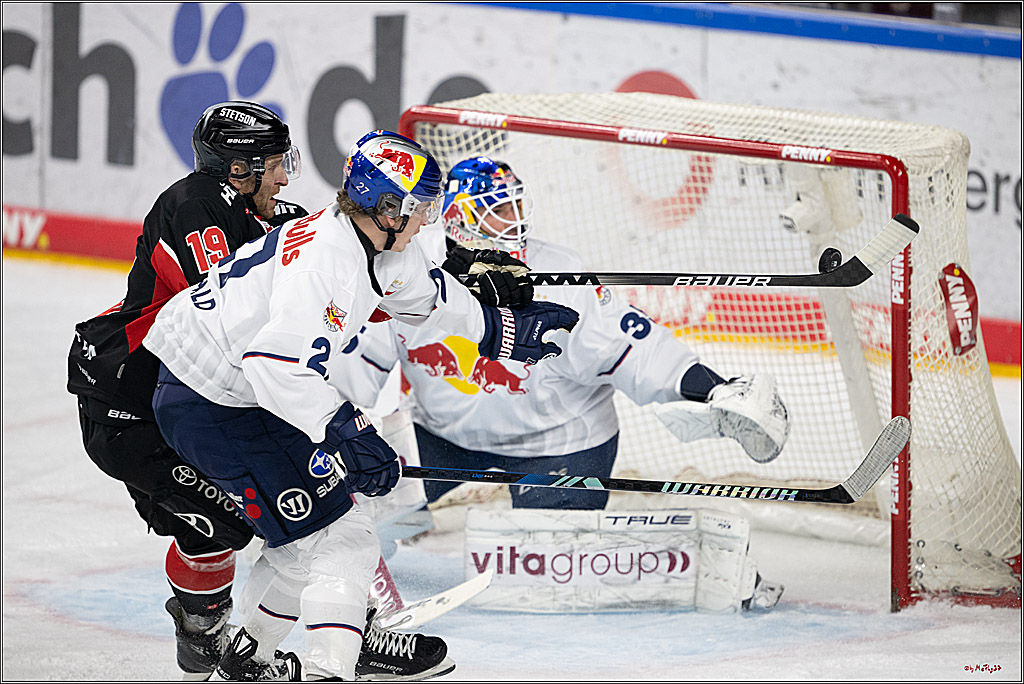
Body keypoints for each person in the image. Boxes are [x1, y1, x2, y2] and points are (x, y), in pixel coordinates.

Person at [142, 131, 578, 681]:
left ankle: (247, 655)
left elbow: (428, 298)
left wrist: (500, 331)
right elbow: (275, 364)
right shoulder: (325, 263)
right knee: (343, 537)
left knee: (316, 539)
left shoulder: (374, 242)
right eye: (420, 207)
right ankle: (327, 669)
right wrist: (345, 429)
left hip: (233, 395)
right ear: (388, 208)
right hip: (215, 400)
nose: (428, 220)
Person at [349, 156, 791, 512]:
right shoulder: (410, 268)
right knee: (360, 514)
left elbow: (635, 347)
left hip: (560, 445)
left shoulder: (559, 275)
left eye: (518, 204)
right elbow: (356, 361)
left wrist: (715, 390)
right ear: (460, 217)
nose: (516, 218)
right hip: (442, 438)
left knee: (541, 567)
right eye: (501, 209)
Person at [67, 100, 305, 680]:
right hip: (129, 407)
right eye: (272, 164)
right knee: (232, 519)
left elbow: (348, 250)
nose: (284, 175)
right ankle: (212, 637)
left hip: (183, 403)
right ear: (236, 169)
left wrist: (459, 268)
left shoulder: (259, 213)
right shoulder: (197, 204)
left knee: (231, 519)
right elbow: (227, 317)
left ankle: (209, 640)